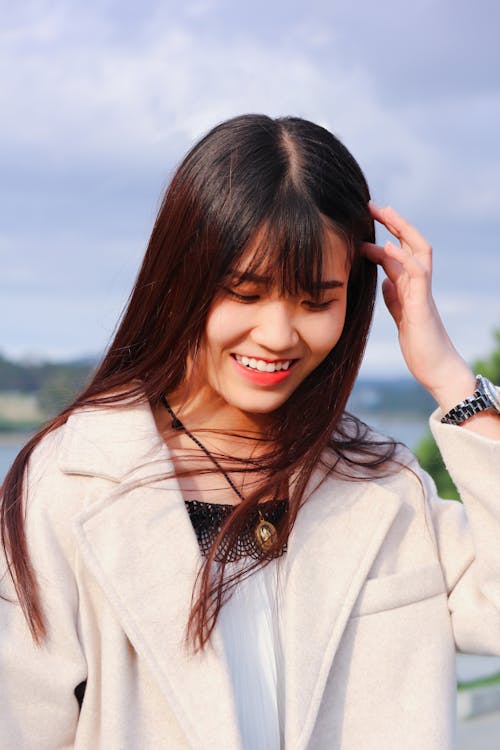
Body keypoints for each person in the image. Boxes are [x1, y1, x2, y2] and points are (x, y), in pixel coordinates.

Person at [1, 114, 499, 750]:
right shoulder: (72, 481)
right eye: (245, 292)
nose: (278, 335)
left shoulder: (381, 484)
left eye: (317, 301)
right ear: (183, 279)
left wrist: (451, 378)